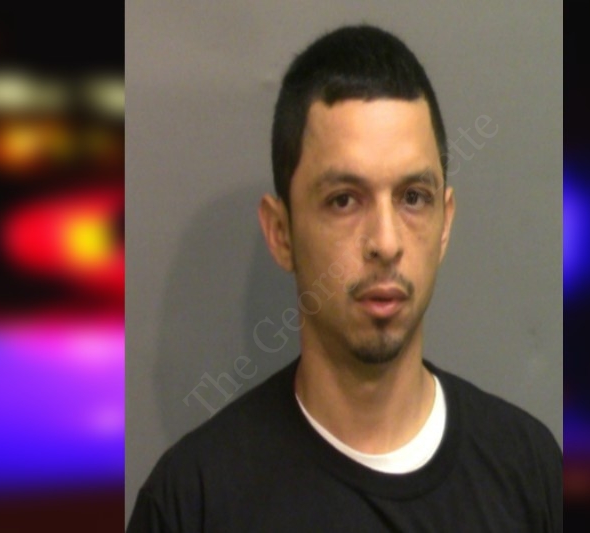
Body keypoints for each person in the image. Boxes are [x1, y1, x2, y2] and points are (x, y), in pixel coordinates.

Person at [127, 24, 562, 532]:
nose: (386, 242)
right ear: (281, 233)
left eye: (413, 197)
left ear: (445, 224)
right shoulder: (192, 504)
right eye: (343, 200)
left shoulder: (532, 473)